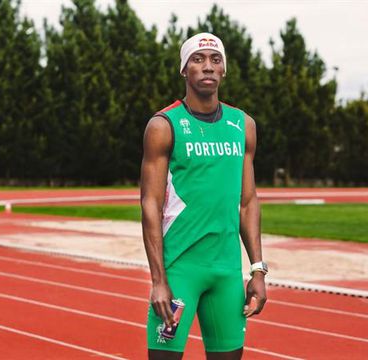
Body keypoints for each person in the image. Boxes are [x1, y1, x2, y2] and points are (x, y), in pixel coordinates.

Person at [140, 32, 268, 360]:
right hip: (179, 269)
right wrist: (158, 280)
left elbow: (248, 201)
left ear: (224, 69)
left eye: (215, 59)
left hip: (227, 271)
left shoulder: (243, 125)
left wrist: (257, 269)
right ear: (184, 69)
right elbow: (150, 204)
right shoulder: (164, 125)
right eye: (197, 59)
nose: (207, 66)